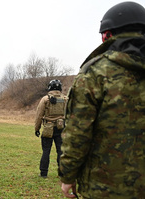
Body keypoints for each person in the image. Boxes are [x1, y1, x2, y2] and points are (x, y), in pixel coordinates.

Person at [59, 1, 145, 198]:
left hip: (104, 187)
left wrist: (68, 175)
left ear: (108, 35)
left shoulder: (95, 73)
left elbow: (77, 133)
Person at [35, 79, 68, 178]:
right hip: (61, 128)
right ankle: (62, 173)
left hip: (48, 128)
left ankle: (43, 173)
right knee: (61, 151)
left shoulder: (45, 99)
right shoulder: (66, 99)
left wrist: (37, 128)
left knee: (46, 151)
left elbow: (39, 115)